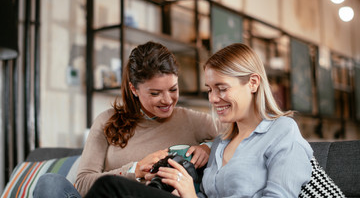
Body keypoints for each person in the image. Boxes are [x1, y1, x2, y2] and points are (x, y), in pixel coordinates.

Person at [84, 43, 313, 198]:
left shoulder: (282, 132)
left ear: (253, 83)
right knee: (60, 184)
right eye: (209, 90)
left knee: (109, 188)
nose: (213, 99)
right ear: (134, 89)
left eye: (221, 88)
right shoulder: (223, 140)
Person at [33, 41, 221, 198]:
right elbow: (82, 183)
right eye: (155, 93)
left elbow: (239, 136)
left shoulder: (192, 120)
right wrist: (134, 170)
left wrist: (209, 147)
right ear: (134, 89)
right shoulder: (107, 121)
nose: (167, 100)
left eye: (173, 89)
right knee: (49, 183)